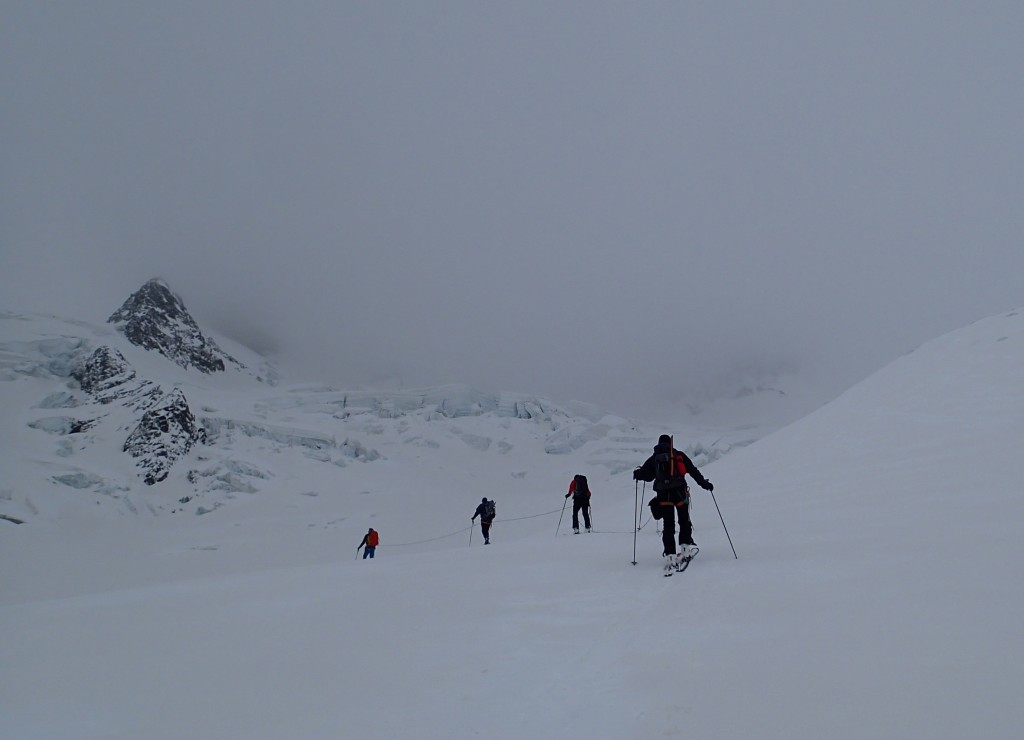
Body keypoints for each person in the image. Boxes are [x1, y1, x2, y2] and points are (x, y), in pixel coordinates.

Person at [633, 434, 713, 572]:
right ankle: (685, 549)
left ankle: (670, 555)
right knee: (684, 520)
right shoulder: (678, 455)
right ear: (670, 443)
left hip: (663, 496)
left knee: (668, 525)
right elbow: (693, 471)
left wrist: (637, 473)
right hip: (680, 493)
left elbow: (646, 476)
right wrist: (705, 484)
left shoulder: (654, 458)